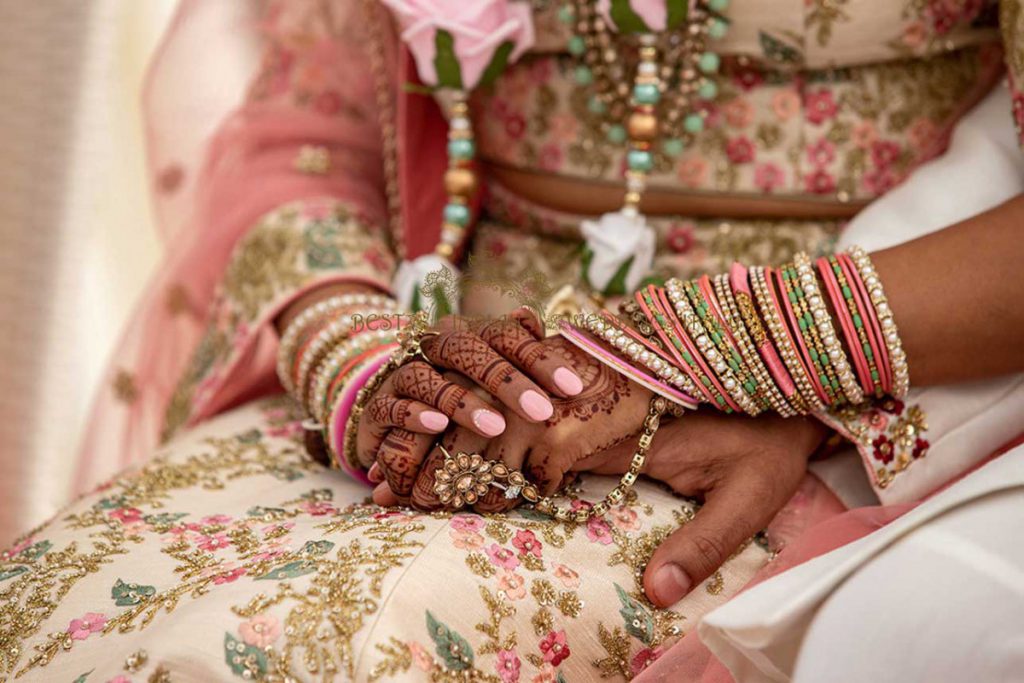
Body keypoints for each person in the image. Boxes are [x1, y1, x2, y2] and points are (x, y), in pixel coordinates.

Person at [2, 1, 1022, 681]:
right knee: (55, 613)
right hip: (431, 362)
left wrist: (690, 355)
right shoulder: (392, 377)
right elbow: (308, 132)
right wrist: (364, 368)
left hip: (829, 398)